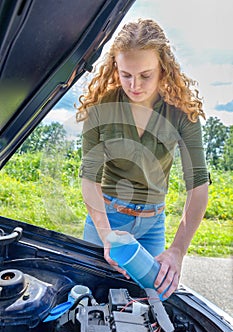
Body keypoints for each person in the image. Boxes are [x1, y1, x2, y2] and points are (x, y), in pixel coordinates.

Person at [76, 18, 209, 299]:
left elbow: (198, 185)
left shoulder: (182, 113)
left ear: (163, 67)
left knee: (148, 304)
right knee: (89, 299)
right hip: (106, 218)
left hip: (152, 225)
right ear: (115, 67)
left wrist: (177, 251)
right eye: (126, 74)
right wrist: (106, 235)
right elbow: (89, 178)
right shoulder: (101, 106)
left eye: (145, 75)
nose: (134, 85)